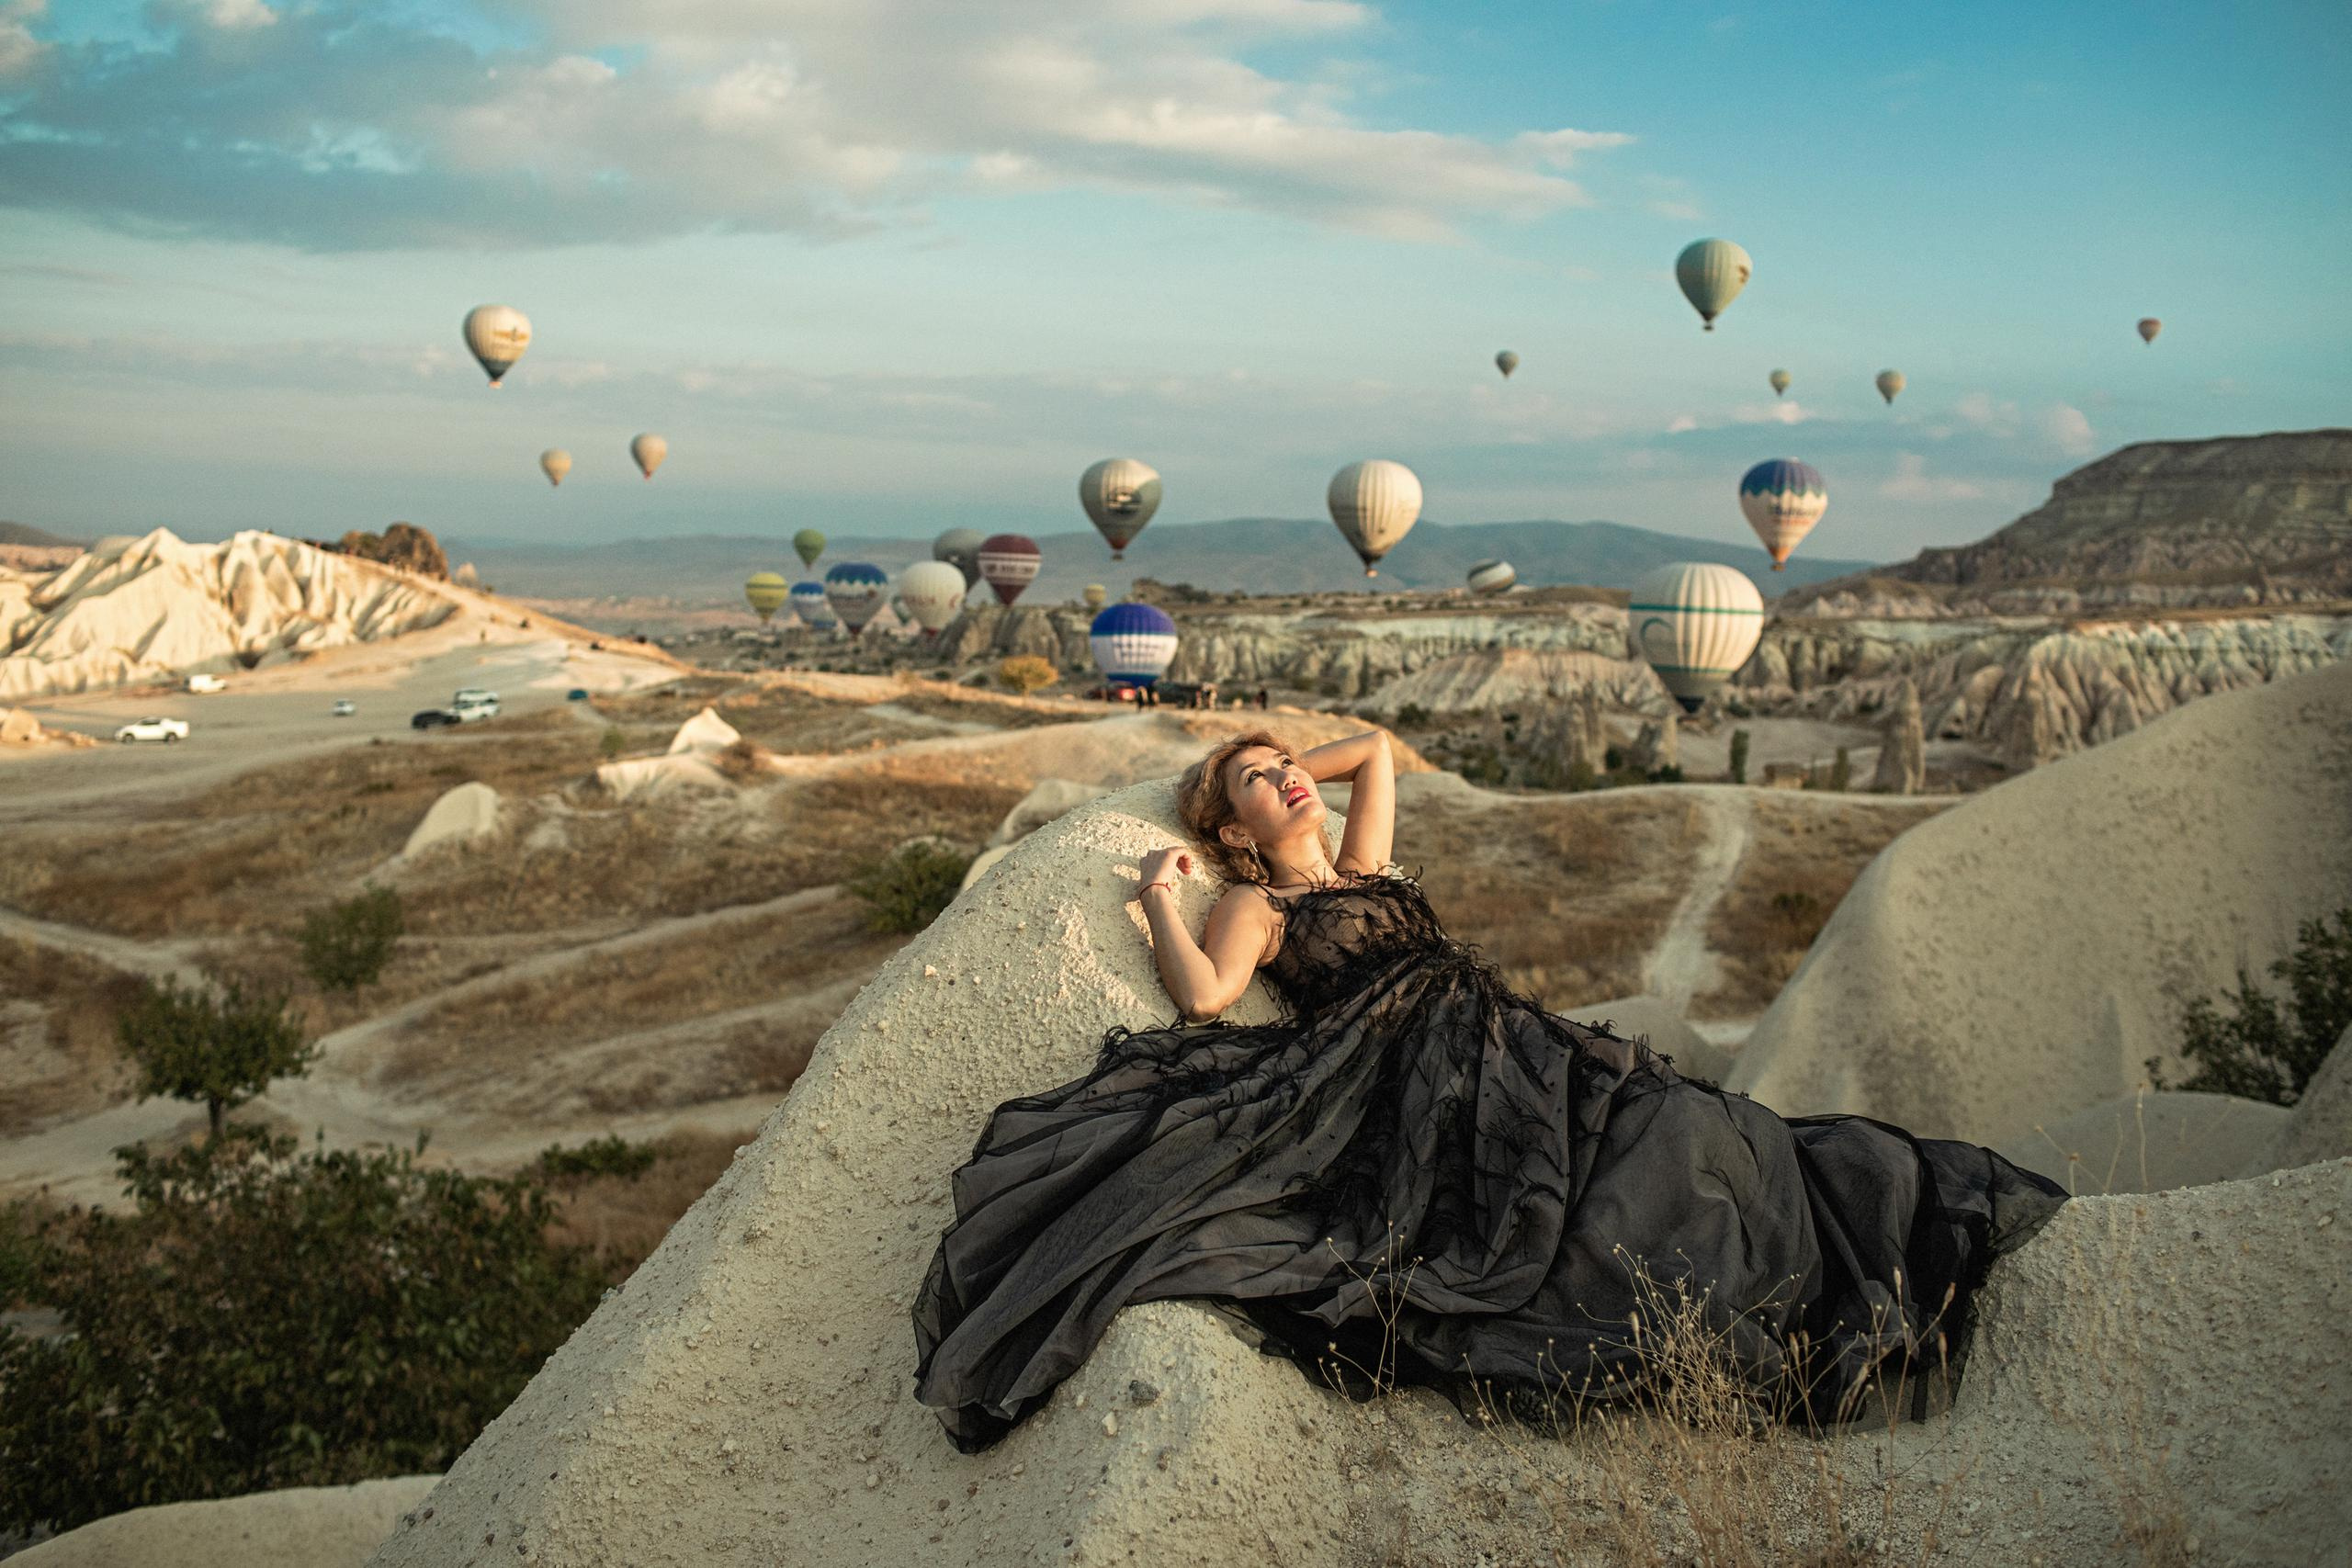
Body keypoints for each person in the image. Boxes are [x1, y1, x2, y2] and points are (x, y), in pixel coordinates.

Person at [911, 730, 2064, 1454]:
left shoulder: (1362, 865)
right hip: (1408, 1081)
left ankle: (1811, 1278)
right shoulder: (1257, 907)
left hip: (1511, 1044)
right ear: (1228, 828)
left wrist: (1277, 772)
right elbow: (1210, 999)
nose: (1287, 783)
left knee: (1696, 1126)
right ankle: (1714, 1339)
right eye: (1258, 785)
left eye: (1283, 771)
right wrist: (1170, 884)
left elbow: (1372, 743)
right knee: (1560, 1220)